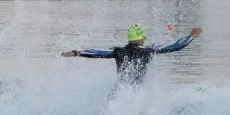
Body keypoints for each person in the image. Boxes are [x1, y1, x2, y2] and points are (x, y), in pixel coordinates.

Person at [61, 23, 203, 85]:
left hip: (120, 91)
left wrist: (77, 52)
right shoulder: (148, 50)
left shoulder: (118, 51)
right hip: (135, 93)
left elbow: (98, 52)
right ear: (140, 38)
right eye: (143, 37)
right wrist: (191, 36)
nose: (145, 39)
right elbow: (174, 47)